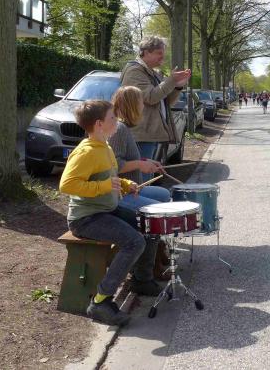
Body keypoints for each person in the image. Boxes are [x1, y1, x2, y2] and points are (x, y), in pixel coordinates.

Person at [60, 100, 161, 326]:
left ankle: (141, 280)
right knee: (134, 241)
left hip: (107, 209)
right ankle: (101, 301)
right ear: (99, 124)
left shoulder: (104, 147)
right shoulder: (86, 152)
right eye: (112, 118)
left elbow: (110, 177)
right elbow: (66, 185)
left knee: (150, 223)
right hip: (86, 219)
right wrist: (104, 187)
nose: (117, 121)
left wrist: (124, 184)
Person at [120, 36, 191, 180]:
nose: (162, 57)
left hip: (149, 135)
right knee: (141, 179)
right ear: (146, 52)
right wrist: (171, 80)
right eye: (159, 53)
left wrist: (177, 86)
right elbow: (151, 97)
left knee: (146, 176)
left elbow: (165, 102)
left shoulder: (152, 73)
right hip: (140, 135)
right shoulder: (134, 71)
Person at [110, 86, 171, 207]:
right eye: (141, 102)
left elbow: (125, 157)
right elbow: (114, 165)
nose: (143, 106)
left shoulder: (124, 127)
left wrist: (145, 161)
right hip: (120, 193)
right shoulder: (119, 129)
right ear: (132, 106)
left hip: (133, 188)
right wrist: (140, 164)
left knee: (165, 194)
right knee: (161, 209)